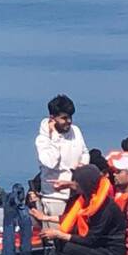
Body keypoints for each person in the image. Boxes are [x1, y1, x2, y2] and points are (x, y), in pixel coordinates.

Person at [39, 165, 126, 255]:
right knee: (60, 242)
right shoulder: (88, 198)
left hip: (111, 253)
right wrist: (45, 218)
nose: (74, 183)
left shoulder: (105, 209)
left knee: (66, 246)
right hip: (98, 244)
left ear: (85, 184)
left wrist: (59, 234)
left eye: (76, 181)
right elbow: (73, 217)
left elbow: (90, 240)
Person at [35, 94, 89, 228]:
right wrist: (54, 137)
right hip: (55, 197)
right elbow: (51, 161)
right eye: (64, 118)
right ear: (52, 119)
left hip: (76, 192)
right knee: (57, 238)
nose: (69, 121)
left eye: (70, 117)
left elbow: (85, 152)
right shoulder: (42, 140)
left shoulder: (76, 131)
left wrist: (82, 165)